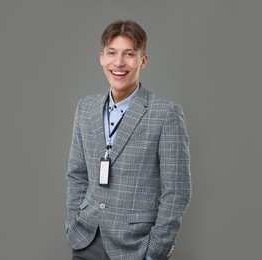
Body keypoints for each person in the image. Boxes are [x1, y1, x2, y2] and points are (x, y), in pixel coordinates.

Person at [66, 20, 191, 260]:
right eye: (112, 53)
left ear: (143, 60)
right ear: (101, 57)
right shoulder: (86, 107)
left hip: (136, 247)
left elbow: (177, 190)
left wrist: (155, 251)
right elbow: (76, 173)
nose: (119, 62)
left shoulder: (165, 113)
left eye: (129, 54)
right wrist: (74, 224)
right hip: (86, 240)